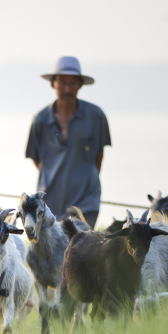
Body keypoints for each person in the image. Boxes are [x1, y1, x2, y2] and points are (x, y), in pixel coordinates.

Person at [25, 56, 111, 229]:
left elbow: (99, 156)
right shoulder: (40, 120)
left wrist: (84, 180)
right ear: (53, 84)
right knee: (53, 246)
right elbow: (37, 160)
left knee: (81, 245)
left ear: (80, 85)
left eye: (72, 83)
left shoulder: (96, 116)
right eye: (62, 82)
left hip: (87, 203)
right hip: (48, 205)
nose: (67, 89)